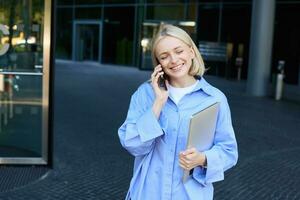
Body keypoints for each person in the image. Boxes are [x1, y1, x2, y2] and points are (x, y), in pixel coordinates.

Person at [118, 24, 238, 200]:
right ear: (159, 64)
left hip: (190, 195)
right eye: (164, 57)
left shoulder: (215, 99)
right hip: (148, 194)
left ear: (191, 51)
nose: (173, 60)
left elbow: (229, 151)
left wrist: (202, 159)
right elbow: (133, 145)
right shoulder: (145, 94)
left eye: (179, 51)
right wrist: (158, 103)